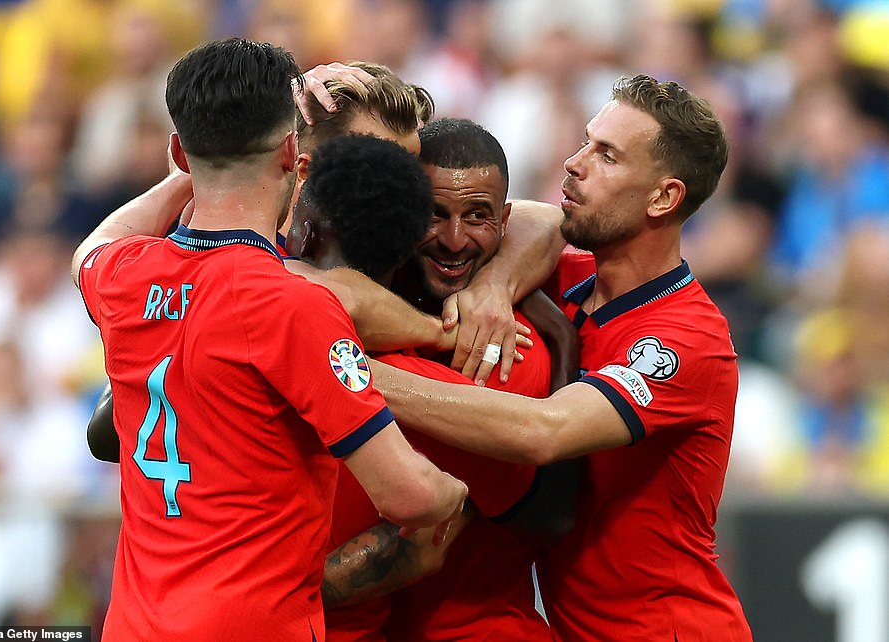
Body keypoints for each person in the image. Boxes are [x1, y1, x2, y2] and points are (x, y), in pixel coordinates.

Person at [70, 38, 466, 642]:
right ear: (295, 155)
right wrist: (453, 493)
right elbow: (412, 496)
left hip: (134, 626)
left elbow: (89, 250)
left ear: (178, 149)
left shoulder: (125, 276)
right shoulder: (296, 306)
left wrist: (195, 172)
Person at [369, 75, 753, 641]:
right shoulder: (565, 282)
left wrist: (346, 369)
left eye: (607, 156)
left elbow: (544, 431)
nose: (575, 163)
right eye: (585, 142)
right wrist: (497, 282)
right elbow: (530, 217)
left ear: (663, 197)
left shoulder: (688, 339)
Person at [306, 119, 575, 642]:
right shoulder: (361, 304)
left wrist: (340, 371)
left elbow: (415, 549)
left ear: (504, 219)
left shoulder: (503, 350)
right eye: (434, 214)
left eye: (478, 216)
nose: (454, 240)